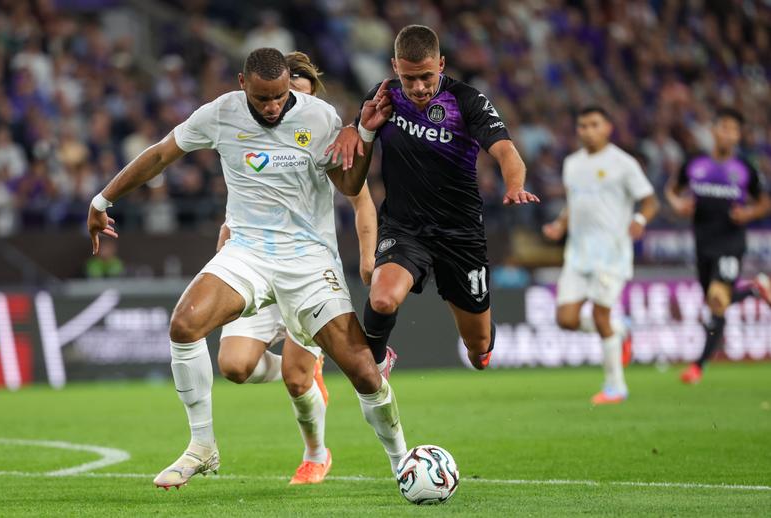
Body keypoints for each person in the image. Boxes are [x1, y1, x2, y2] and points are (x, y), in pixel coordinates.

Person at [87, 48, 406, 490]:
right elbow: (161, 155)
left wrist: (366, 138)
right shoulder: (221, 114)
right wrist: (102, 200)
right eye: (263, 99)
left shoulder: (320, 118)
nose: (273, 107)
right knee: (186, 326)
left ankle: (402, 463)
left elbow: (351, 187)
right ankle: (202, 445)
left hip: (308, 260)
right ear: (242, 84)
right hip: (248, 251)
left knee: (364, 373)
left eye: (280, 98)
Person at [327, 25, 538, 376]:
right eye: (410, 79)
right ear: (395, 67)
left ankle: (483, 339)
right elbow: (358, 149)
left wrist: (514, 185)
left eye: (426, 77)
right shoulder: (384, 96)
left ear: (441, 64)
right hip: (405, 227)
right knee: (382, 299)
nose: (419, 87)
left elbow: (506, 151)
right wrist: (354, 129)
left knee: (478, 349)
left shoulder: (466, 100)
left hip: (461, 235)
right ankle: (376, 366)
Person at [214, 51, 377, 485]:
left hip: (307, 270)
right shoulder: (249, 130)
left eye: (295, 98)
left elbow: (361, 201)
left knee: (295, 376)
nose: (283, 110)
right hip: (254, 259)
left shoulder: (323, 133)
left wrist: (367, 256)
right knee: (233, 366)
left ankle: (316, 454)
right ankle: (303, 372)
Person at [542, 106, 659, 405]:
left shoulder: (623, 163)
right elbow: (575, 203)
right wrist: (560, 224)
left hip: (611, 254)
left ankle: (615, 387)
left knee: (599, 314)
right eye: (582, 126)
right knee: (565, 319)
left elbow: (650, 201)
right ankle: (621, 330)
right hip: (578, 255)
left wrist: (640, 220)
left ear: (608, 127)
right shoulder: (571, 164)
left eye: (594, 125)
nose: (587, 131)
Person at [665, 107, 771, 384]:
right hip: (703, 242)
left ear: (738, 136)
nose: (728, 134)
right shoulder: (695, 163)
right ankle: (754, 290)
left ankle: (697, 367)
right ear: (713, 131)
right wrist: (678, 204)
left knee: (717, 299)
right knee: (716, 306)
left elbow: (764, 203)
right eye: (723, 127)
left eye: (734, 129)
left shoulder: (745, 168)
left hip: (731, 242)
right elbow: (672, 191)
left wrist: (748, 213)